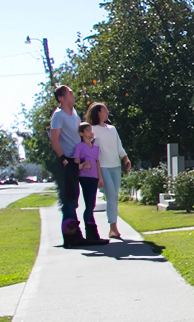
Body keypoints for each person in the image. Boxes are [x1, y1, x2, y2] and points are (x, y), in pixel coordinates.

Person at [87, 103, 131, 239]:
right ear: (99, 112)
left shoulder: (112, 129)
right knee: (111, 195)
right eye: (105, 109)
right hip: (103, 167)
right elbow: (92, 151)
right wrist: (97, 173)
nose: (108, 111)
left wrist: (125, 159)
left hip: (115, 166)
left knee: (114, 195)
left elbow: (119, 146)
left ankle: (113, 226)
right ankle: (113, 228)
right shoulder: (92, 130)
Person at [47, 85, 84, 243]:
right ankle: (70, 236)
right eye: (69, 93)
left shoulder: (74, 114)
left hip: (76, 159)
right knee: (68, 198)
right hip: (66, 160)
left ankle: (74, 234)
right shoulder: (59, 115)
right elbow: (54, 139)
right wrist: (63, 158)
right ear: (61, 98)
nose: (72, 94)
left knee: (74, 197)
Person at [72, 123, 107, 245]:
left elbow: (97, 162)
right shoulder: (80, 147)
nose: (91, 132)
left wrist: (100, 178)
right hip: (85, 177)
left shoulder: (95, 148)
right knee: (89, 205)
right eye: (87, 130)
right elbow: (75, 165)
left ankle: (92, 235)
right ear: (81, 133)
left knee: (91, 205)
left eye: (91, 130)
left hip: (94, 177)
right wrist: (83, 165)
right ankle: (92, 235)